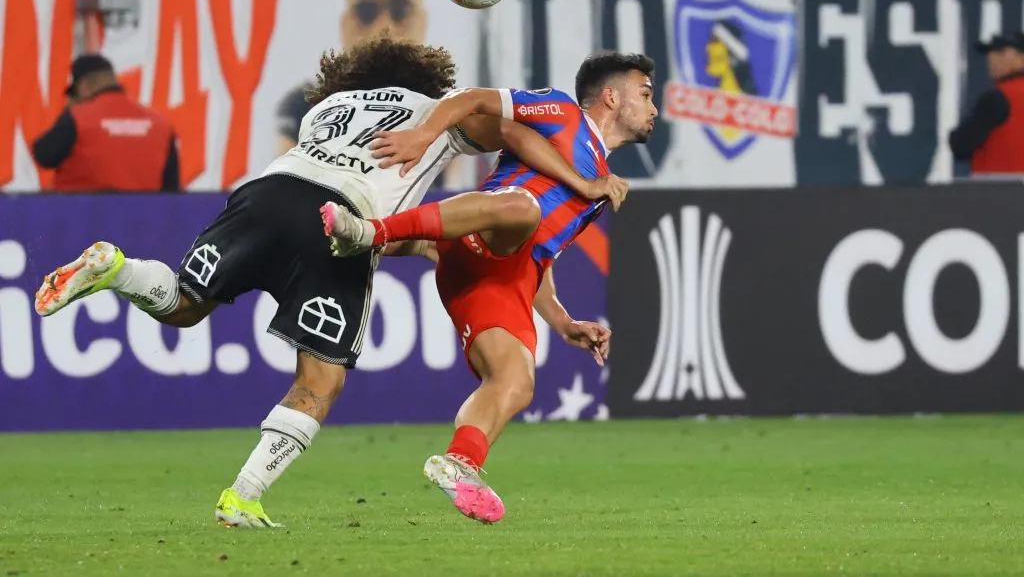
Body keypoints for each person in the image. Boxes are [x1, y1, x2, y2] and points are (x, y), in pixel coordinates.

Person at [32, 35, 627, 529]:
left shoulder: (324, 110)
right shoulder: (432, 109)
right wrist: (579, 177)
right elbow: (517, 133)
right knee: (320, 378)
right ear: (424, 76)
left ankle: (117, 268)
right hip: (338, 219)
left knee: (185, 303)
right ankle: (243, 496)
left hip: (265, 192)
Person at [322, 51, 655, 523]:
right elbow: (475, 101)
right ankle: (371, 233)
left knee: (516, 382)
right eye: (645, 95)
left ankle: (460, 464)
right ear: (611, 96)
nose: (654, 108)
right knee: (522, 209)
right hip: (484, 229)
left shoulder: (601, 186)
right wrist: (423, 133)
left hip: (503, 271)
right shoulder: (562, 112)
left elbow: (539, 256)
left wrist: (562, 320)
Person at [276, 0, 427, 155]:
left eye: (399, 11)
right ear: (344, 22)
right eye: (366, 11)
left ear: (422, 22)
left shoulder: (442, 106)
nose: (383, 28)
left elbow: (458, 182)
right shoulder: (304, 103)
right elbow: (279, 181)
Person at [32, 54, 179, 192]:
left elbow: (43, 154)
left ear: (83, 86)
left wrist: (67, 112)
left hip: (83, 215)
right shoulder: (161, 125)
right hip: (143, 217)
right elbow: (172, 191)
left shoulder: (78, 118)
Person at [949, 31, 1024, 175]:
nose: (992, 58)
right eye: (990, 52)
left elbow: (960, 145)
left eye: (1001, 52)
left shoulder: (999, 98)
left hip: (1000, 191)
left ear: (1021, 58)